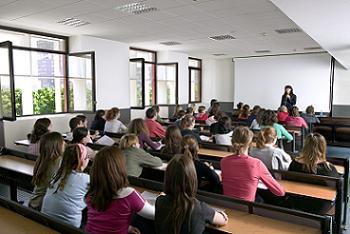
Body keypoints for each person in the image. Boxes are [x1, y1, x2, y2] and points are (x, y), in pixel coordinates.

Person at [85, 146, 155, 234]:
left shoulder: (90, 192)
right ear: (120, 167)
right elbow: (155, 214)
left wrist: (127, 227)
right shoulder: (130, 194)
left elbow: (103, 219)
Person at [155, 155, 228, 234]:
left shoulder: (159, 201)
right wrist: (221, 213)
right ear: (192, 179)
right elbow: (223, 220)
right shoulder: (199, 208)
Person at [221, 126, 285, 202]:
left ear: (232, 141)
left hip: (227, 205)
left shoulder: (224, 161)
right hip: (247, 208)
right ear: (250, 143)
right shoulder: (256, 163)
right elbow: (280, 192)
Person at [41, 144, 90, 228]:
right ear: (82, 161)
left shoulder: (56, 175)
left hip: (46, 220)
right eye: (87, 157)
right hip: (70, 227)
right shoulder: (86, 179)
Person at [29, 132, 65, 210]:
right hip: (42, 205)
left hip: (34, 201)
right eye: (63, 141)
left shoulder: (42, 158)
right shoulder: (57, 160)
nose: (64, 143)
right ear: (57, 145)